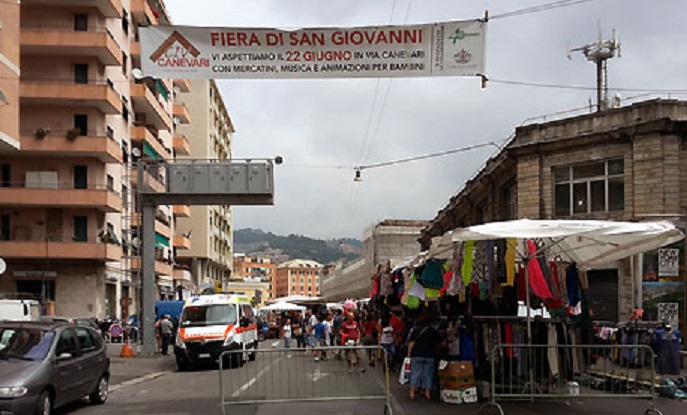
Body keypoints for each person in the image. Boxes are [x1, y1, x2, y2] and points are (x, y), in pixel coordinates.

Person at [407, 311, 441, 401]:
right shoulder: (433, 331)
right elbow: (439, 343)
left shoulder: (416, 329)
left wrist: (409, 354)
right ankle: (427, 393)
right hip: (429, 355)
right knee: (428, 374)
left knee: (415, 373)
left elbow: (411, 343)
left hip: (416, 354)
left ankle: (412, 392)